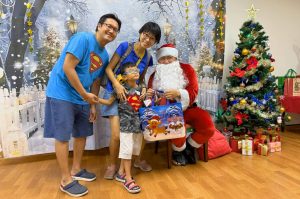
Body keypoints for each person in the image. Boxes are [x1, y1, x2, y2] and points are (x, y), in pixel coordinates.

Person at [44, 14, 121, 197]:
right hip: (61, 93)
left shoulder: (104, 55)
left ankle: (76, 169)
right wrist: (84, 94)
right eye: (108, 26)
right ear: (99, 25)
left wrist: (92, 104)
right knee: (62, 137)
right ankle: (65, 180)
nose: (111, 31)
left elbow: (95, 81)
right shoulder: (82, 39)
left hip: (82, 98)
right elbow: (68, 67)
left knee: (81, 134)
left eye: (115, 29)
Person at [100, 22, 161, 179]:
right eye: (145, 34)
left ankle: (128, 165)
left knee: (135, 132)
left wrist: (143, 92)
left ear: (155, 42)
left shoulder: (148, 58)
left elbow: (141, 80)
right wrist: (117, 85)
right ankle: (112, 165)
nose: (147, 39)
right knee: (116, 135)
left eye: (152, 38)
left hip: (132, 97)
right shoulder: (125, 47)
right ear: (140, 32)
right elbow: (108, 69)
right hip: (115, 93)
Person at [146, 43, 215, 166]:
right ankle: (178, 151)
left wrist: (178, 93)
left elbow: (193, 92)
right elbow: (149, 100)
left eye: (169, 57)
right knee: (177, 127)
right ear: (159, 60)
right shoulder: (154, 76)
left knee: (208, 126)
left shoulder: (187, 69)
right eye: (163, 59)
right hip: (167, 111)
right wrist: (151, 96)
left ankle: (189, 146)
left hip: (189, 108)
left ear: (175, 58)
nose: (166, 61)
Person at [98, 62, 145, 193]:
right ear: (124, 76)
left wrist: (151, 97)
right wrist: (94, 99)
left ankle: (122, 173)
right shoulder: (120, 89)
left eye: (136, 69)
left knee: (134, 149)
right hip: (125, 126)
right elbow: (108, 102)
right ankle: (128, 179)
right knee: (126, 150)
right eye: (131, 70)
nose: (135, 71)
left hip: (137, 125)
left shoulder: (141, 88)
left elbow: (146, 103)